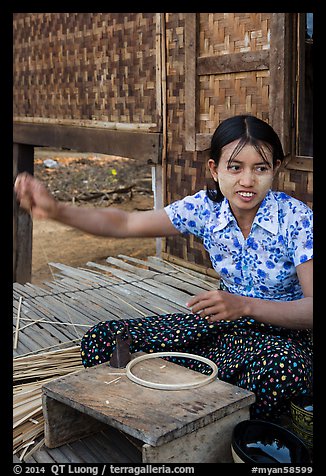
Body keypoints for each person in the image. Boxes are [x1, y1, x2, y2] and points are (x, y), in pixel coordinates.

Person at [14, 114, 313, 420]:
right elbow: (126, 222)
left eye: (260, 168)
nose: (247, 180)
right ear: (215, 169)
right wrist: (57, 210)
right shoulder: (206, 209)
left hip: (283, 338)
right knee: (106, 338)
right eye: (234, 167)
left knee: (281, 368)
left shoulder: (296, 220)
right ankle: (191, 405)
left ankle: (211, 413)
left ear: (276, 168)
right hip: (225, 329)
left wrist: (245, 306)